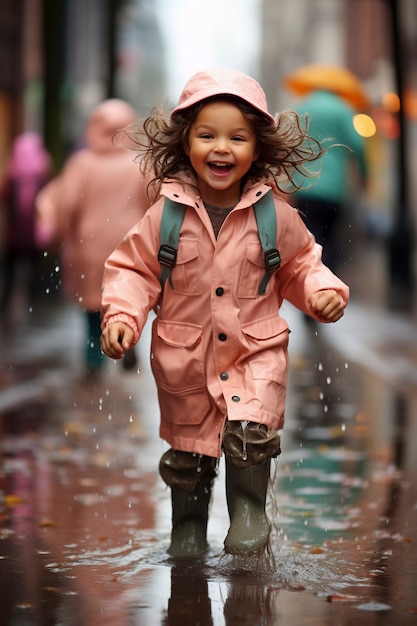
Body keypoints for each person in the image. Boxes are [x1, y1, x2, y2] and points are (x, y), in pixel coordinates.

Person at [100, 69, 349, 558]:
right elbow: (134, 270)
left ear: (257, 148)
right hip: (186, 359)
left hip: (255, 351)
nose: (222, 148)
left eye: (237, 137)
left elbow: (301, 262)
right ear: (186, 142)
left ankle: (250, 509)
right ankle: (188, 525)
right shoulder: (166, 214)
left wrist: (321, 291)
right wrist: (122, 317)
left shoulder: (273, 214)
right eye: (207, 135)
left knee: (251, 433)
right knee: (189, 450)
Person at [36, 99, 153, 381]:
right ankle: (126, 340)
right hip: (132, 245)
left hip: (87, 249)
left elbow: (64, 205)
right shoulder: (141, 163)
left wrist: (58, 236)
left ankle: (93, 362)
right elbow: (157, 202)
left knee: (92, 308)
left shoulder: (81, 163)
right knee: (128, 298)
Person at [291, 89, 368, 271]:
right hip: (334, 189)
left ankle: (310, 275)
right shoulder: (342, 110)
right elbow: (357, 145)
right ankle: (327, 278)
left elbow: (290, 144)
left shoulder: (303, 106)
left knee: (309, 234)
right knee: (330, 236)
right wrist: (364, 175)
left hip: (304, 184)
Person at [0, 132, 52, 319]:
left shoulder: (13, 174)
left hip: (15, 236)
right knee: (34, 272)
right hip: (33, 235)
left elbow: (3, 197)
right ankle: (34, 305)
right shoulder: (42, 173)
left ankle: (6, 305)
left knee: (11, 272)